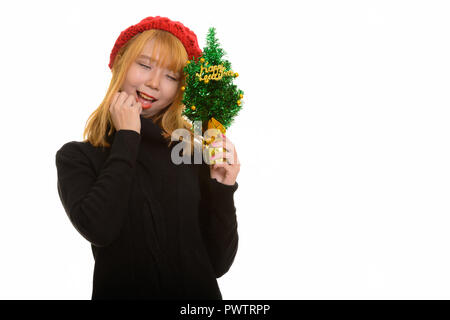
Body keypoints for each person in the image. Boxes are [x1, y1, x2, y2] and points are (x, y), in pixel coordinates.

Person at [55, 16, 241, 300]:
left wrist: (222, 187)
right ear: (120, 64)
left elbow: (217, 264)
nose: (154, 83)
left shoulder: (190, 153)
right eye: (144, 65)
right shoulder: (78, 157)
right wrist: (128, 135)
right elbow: (99, 228)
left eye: (171, 76)